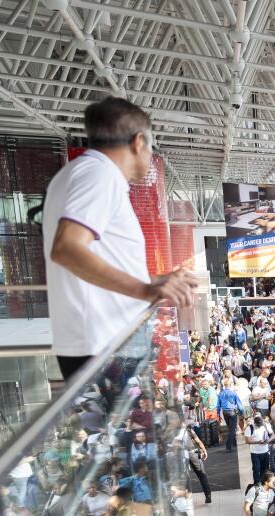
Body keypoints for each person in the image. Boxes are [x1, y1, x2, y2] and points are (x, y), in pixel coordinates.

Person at [44, 97, 196, 379]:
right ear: (139, 142)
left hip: (101, 343)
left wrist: (153, 281)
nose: (151, 155)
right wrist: (143, 290)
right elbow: (66, 248)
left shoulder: (80, 174)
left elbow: (95, 259)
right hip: (103, 345)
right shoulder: (98, 174)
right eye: (152, 146)